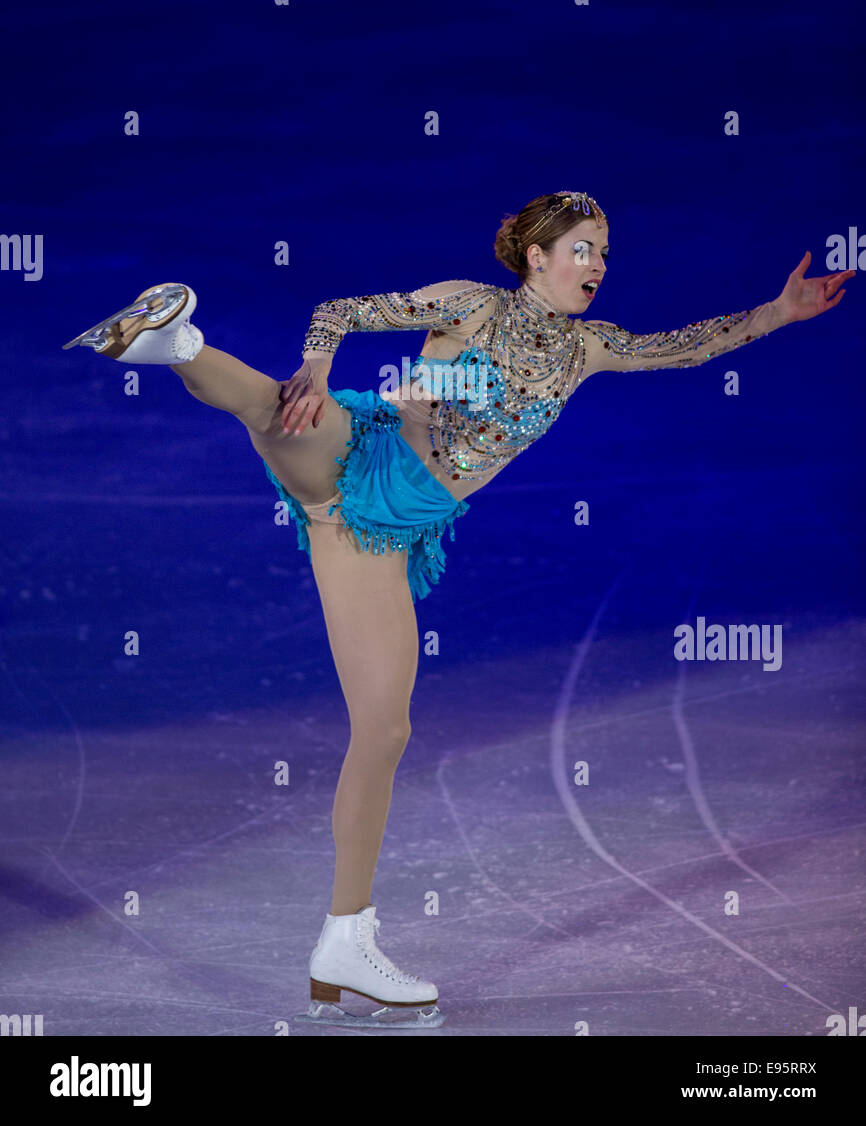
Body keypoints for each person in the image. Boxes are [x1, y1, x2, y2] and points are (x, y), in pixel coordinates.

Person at [62, 190, 853, 1027]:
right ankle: (174, 339)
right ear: (537, 257)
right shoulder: (468, 302)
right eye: (582, 249)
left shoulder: (589, 349)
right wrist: (322, 367)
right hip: (361, 451)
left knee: (386, 729)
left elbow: (680, 348)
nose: (598, 266)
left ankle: (343, 943)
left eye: (605, 253)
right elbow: (340, 311)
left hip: (385, 528)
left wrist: (778, 312)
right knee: (282, 408)